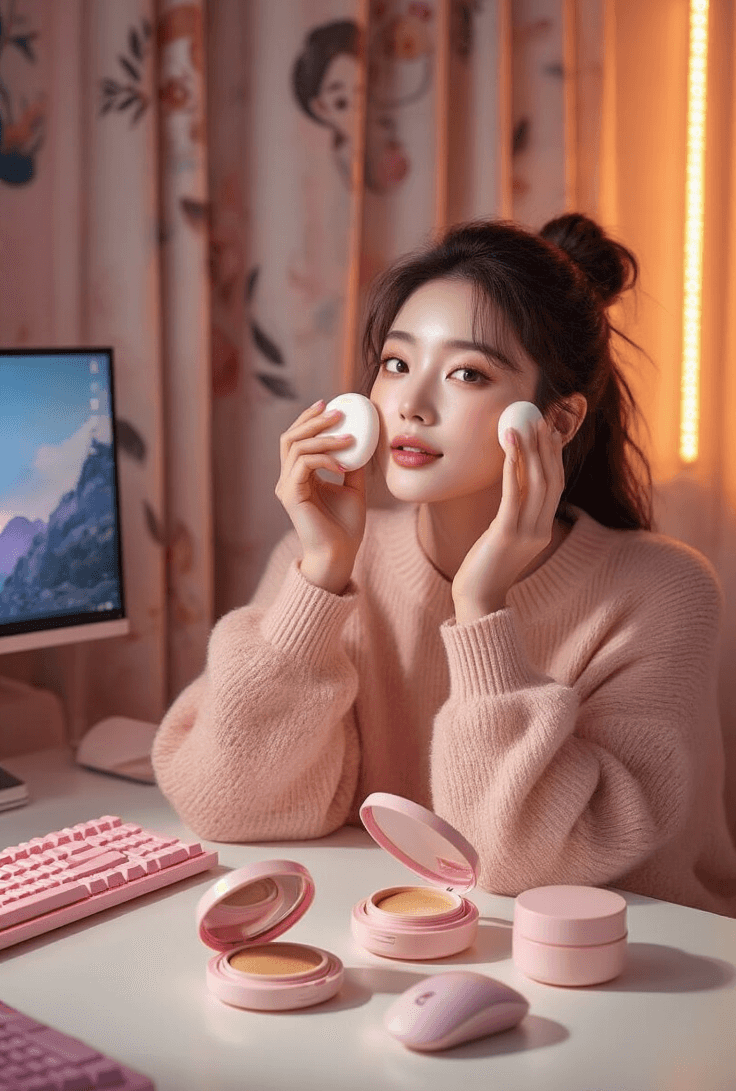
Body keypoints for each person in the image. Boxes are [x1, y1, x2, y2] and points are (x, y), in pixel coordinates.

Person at [153, 214, 736, 916]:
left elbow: (525, 863)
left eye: (466, 372)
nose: (410, 404)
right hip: (411, 945)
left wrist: (481, 609)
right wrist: (321, 577)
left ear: (557, 422)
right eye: (396, 364)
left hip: (634, 978)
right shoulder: (322, 563)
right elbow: (228, 805)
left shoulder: (661, 591)